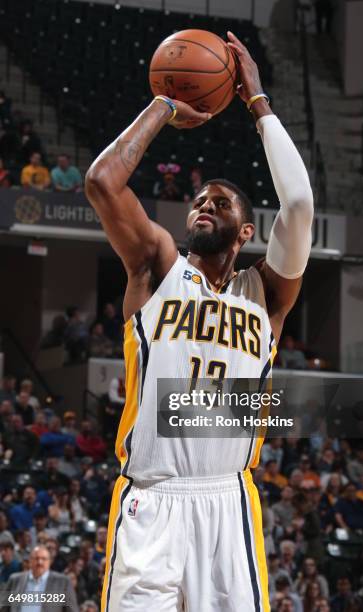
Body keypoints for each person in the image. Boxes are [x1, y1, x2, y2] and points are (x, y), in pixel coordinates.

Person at [85, 30, 313, 612]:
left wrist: (257, 101)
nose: (205, 205)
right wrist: (163, 105)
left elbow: (300, 206)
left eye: (221, 202)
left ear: (244, 232)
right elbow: (102, 182)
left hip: (227, 501)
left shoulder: (266, 294)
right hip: (152, 500)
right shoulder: (157, 266)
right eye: (199, 200)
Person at [3, 545, 78, 612]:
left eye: (44, 559)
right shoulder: (15, 580)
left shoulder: (62, 582)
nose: (40, 562)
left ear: (50, 561)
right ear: (30, 561)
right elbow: (3, 607)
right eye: (36, 558)